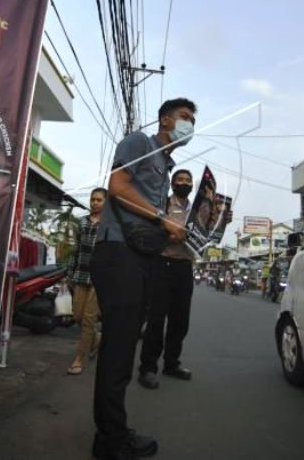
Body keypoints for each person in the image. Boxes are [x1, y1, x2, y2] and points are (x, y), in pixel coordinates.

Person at [89, 98, 195, 460]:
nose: (190, 125)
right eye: (185, 118)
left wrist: (170, 228)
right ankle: (111, 440)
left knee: (122, 346)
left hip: (138, 257)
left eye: (193, 120)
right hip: (117, 253)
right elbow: (117, 187)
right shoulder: (139, 143)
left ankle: (110, 432)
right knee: (119, 350)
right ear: (166, 119)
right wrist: (161, 217)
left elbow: (146, 217)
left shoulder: (166, 166)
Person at [138, 169, 196, 389]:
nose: (183, 183)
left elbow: (206, 233)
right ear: (172, 183)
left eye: (187, 180)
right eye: (179, 180)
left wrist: (223, 222)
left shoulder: (198, 209)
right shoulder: (162, 203)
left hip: (185, 267)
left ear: (192, 185)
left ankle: (172, 363)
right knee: (156, 319)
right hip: (162, 264)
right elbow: (151, 230)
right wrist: (170, 235)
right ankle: (148, 368)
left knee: (180, 321)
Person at [67, 188, 107, 375]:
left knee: (89, 319)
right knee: (77, 316)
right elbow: (75, 250)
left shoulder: (109, 225)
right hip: (80, 275)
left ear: (106, 202)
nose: (95, 202)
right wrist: (69, 275)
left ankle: (79, 359)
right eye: (93, 199)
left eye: (99, 200)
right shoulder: (82, 222)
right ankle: (96, 339)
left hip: (99, 279)